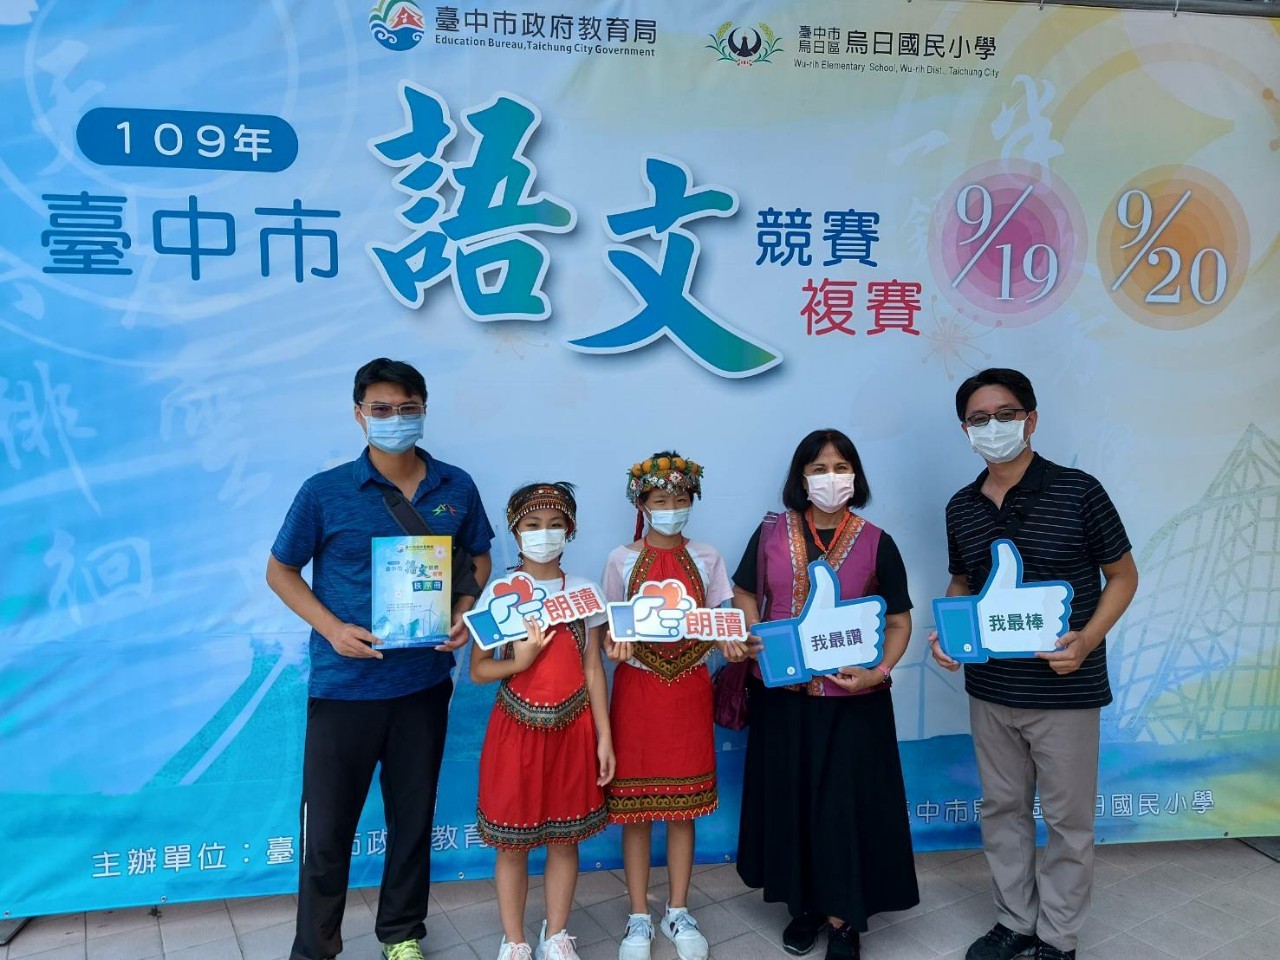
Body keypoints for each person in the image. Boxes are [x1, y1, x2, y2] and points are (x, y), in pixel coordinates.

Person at [267, 358, 494, 960]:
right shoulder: (324, 492)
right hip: (344, 687)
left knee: (412, 820)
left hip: (423, 684)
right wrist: (332, 629)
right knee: (327, 831)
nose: (395, 418)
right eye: (382, 409)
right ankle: (315, 948)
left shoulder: (456, 487)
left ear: (424, 409)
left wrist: (464, 609)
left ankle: (402, 934)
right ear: (359, 415)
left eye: (407, 407)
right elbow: (280, 571)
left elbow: (477, 557)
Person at [930, 369, 1139, 960]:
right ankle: (1015, 921)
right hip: (990, 688)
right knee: (1002, 810)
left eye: (1005, 414)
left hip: (1065, 688)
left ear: (1031, 419)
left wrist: (1086, 640)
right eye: (979, 419)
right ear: (965, 430)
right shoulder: (961, 506)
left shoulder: (1079, 490)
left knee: (1069, 820)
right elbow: (963, 581)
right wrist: (949, 635)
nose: (992, 427)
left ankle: (1057, 936)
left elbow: (1123, 576)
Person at [731, 429, 918, 960]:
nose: (830, 478)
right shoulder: (771, 533)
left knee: (842, 809)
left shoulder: (878, 540)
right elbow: (745, 591)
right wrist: (754, 633)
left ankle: (843, 920)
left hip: (852, 703)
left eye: (840, 467)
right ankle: (805, 906)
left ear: (855, 476)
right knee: (792, 803)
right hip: (783, 698)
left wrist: (879, 671)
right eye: (818, 468)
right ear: (801, 477)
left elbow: (899, 621)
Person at [601, 452, 743, 960]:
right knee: (636, 812)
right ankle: (639, 914)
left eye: (680, 498)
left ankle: (678, 909)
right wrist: (614, 647)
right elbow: (611, 630)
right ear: (641, 503)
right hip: (637, 690)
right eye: (660, 500)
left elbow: (722, 618)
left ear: (692, 500)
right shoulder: (620, 559)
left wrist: (731, 643)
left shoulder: (708, 557)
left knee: (684, 810)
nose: (670, 508)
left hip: (689, 688)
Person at [469, 482, 615, 960]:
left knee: (565, 839)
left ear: (569, 530)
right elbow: (478, 670)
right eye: (532, 525)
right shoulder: (499, 594)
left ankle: (556, 935)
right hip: (516, 729)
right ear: (516, 532)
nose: (544, 534)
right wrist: (521, 660)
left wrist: (604, 737)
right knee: (512, 846)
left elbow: (593, 668)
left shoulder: (586, 592)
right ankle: (514, 940)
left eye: (554, 524)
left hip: (575, 728)